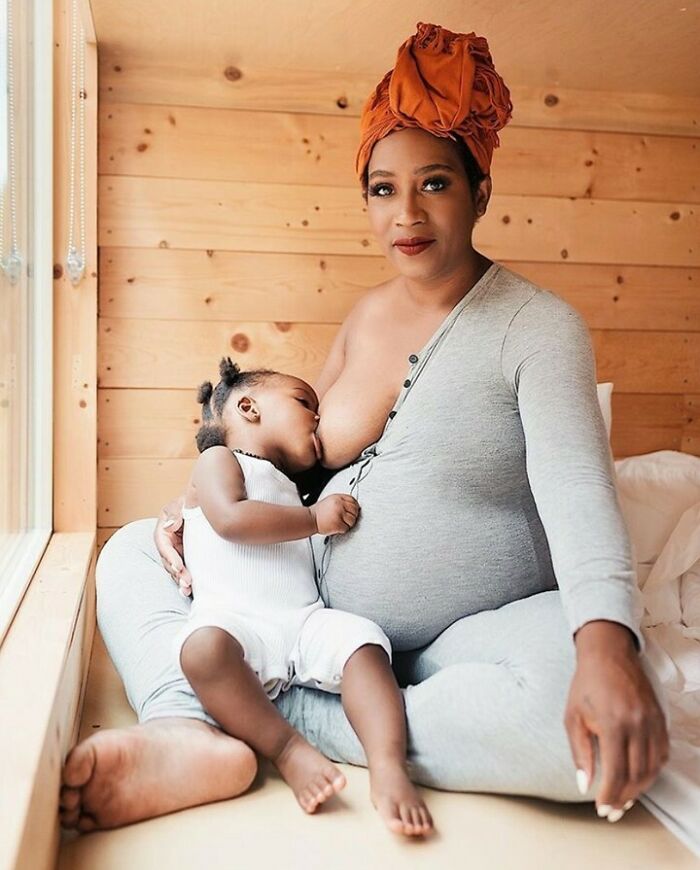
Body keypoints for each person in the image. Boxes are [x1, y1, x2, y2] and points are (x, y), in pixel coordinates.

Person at [60, 21, 669, 833]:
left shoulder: (536, 327)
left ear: (480, 190)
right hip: (304, 609)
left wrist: (606, 644)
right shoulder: (366, 315)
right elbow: (296, 461)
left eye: (435, 184)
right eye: (383, 188)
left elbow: (578, 494)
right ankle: (185, 723)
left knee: (572, 731)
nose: (405, 214)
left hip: (453, 640)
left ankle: (275, 727)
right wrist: (200, 506)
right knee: (129, 550)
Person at [172, 357, 432, 835]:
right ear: (248, 408)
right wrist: (315, 521)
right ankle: (288, 749)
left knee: (364, 644)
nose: (318, 417)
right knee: (202, 651)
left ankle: (389, 764)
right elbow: (230, 519)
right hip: (235, 621)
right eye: (304, 403)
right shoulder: (219, 462)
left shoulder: (294, 486)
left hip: (305, 619)